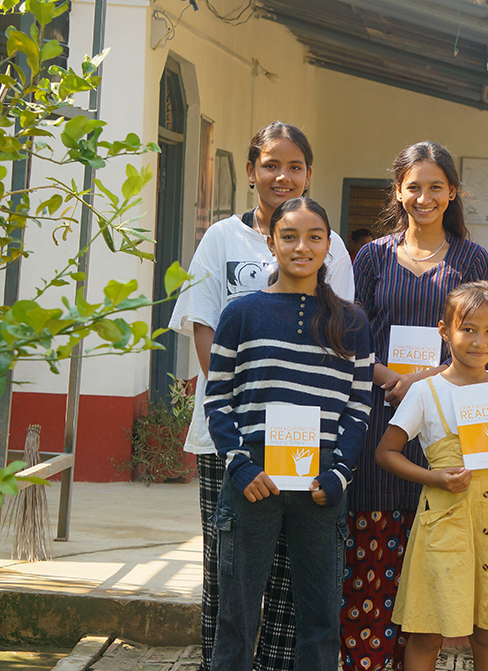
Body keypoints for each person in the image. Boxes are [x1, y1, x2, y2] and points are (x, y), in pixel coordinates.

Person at [169, 121, 354, 671]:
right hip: (230, 440)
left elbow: (340, 335)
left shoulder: (330, 242)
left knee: (294, 580)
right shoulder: (221, 239)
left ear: (309, 174)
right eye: (271, 164)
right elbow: (204, 327)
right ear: (251, 171)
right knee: (229, 570)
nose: (283, 175)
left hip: (306, 444)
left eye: (295, 165)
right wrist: (242, 419)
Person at [204, 197, 373, 671]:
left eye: (314, 236)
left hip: (322, 482)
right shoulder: (242, 314)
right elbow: (217, 399)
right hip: (253, 480)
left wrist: (340, 472)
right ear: (270, 241)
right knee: (236, 615)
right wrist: (239, 466)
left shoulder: (353, 322)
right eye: (290, 236)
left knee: (320, 620)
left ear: (329, 245)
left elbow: (359, 407)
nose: (303, 247)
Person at [345, 141, 488, 671]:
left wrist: (434, 382)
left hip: (447, 429)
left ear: (452, 192)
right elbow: (351, 338)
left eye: (436, 187)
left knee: (428, 583)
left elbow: (483, 342)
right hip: (381, 420)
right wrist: (395, 379)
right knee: (373, 565)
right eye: (414, 187)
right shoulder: (373, 256)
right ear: (398, 191)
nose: (424, 197)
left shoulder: (474, 259)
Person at [375, 282, 488, 671]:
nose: (479, 341)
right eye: (467, 329)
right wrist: (434, 479)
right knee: (427, 632)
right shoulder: (425, 391)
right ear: (444, 331)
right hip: (446, 521)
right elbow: (386, 452)